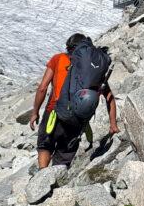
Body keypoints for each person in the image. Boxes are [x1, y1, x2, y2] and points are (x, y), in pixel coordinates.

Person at [29, 33, 119, 168]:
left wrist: (35, 112)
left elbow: (42, 88)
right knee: (65, 152)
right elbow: (109, 98)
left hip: (54, 112)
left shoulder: (58, 59)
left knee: (45, 145)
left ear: (68, 47)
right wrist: (113, 125)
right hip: (77, 119)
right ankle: (56, 181)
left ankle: (43, 177)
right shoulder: (91, 69)